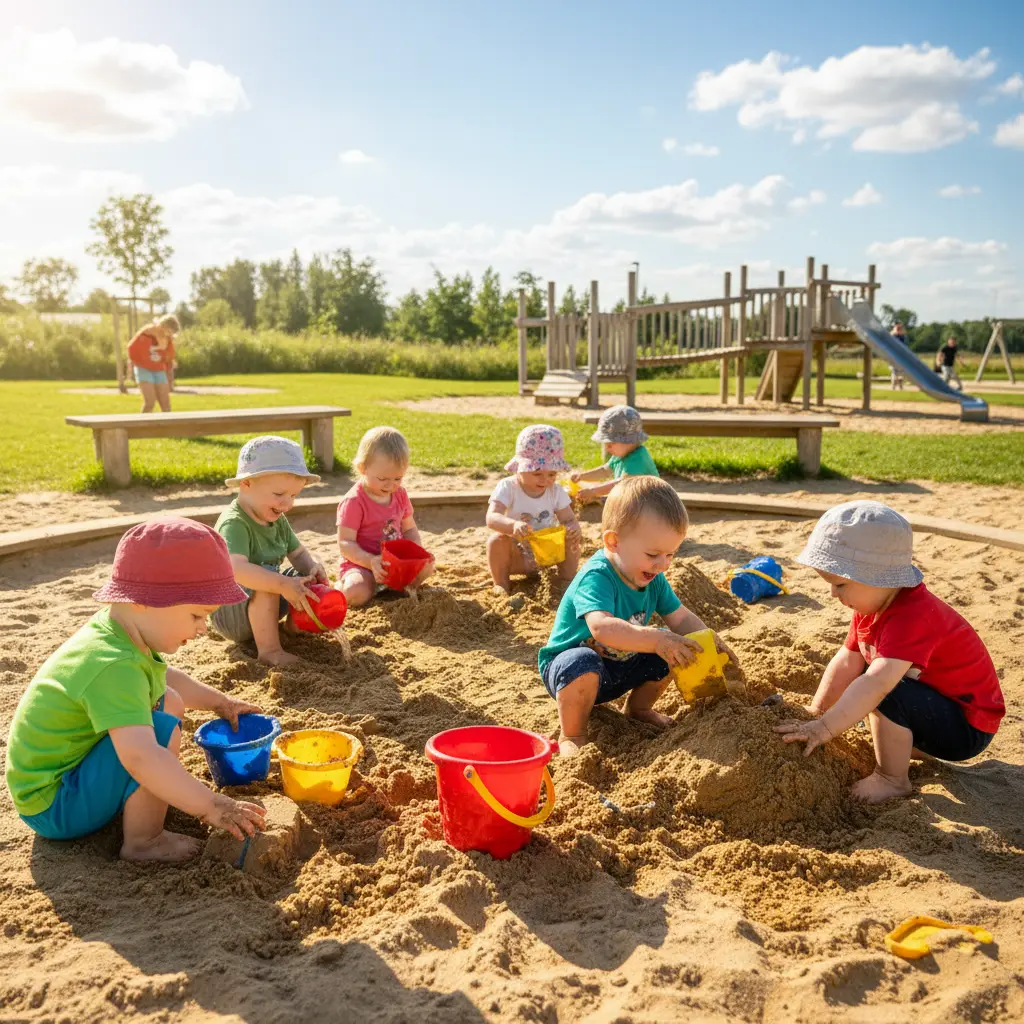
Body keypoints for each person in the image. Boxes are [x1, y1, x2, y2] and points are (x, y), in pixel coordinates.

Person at [5, 517, 267, 863]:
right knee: (157, 734)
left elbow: (164, 677)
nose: (203, 629)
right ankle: (144, 841)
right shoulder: (113, 664)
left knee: (167, 700)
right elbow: (141, 756)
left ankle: (136, 809)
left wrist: (220, 702)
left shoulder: (120, 629)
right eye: (195, 616)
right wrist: (211, 806)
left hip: (67, 776)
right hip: (55, 804)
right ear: (146, 600)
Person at [776, 501, 1004, 803]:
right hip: (934, 706)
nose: (833, 594)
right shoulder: (872, 606)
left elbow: (877, 684)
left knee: (883, 688)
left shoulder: (913, 616)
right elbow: (847, 661)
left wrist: (824, 729)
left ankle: (891, 778)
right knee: (866, 678)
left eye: (840, 584)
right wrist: (817, 713)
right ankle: (906, 742)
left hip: (966, 727)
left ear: (877, 578)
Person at [538, 476, 738, 757]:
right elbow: (602, 629)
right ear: (614, 541)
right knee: (585, 660)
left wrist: (708, 640)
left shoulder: (652, 578)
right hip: (569, 672)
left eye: (671, 555)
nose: (663, 565)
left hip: (618, 667)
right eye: (653, 554)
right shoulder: (596, 577)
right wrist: (658, 639)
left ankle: (638, 708)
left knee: (677, 648)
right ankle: (572, 733)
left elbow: (680, 619)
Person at [210, 436, 328, 666]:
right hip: (231, 613)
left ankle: (293, 629)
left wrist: (312, 570)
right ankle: (270, 651)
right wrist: (280, 584)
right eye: (279, 495)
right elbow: (237, 570)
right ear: (246, 484)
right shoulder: (234, 523)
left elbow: (298, 554)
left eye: (293, 495)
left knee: (302, 579)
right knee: (267, 581)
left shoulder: (277, 520)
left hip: (267, 605)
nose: (287, 504)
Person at [335, 426, 435, 607]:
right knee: (355, 592)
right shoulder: (354, 501)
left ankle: (393, 588)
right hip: (363, 564)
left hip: (395, 563)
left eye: (398, 478)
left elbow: (409, 527)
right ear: (362, 468)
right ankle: (341, 587)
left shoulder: (400, 494)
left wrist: (417, 553)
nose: (390, 485)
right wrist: (370, 561)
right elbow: (345, 544)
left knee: (428, 566)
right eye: (383, 479)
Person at [487, 424, 582, 598]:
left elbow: (569, 519)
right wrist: (512, 525)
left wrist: (573, 528)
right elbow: (492, 518)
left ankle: (566, 580)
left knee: (572, 539)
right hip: (519, 553)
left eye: (552, 474)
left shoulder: (556, 491)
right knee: (496, 541)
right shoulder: (508, 487)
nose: (545, 480)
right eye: (537, 473)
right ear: (520, 467)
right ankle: (501, 584)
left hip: (549, 552)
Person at [571, 405, 658, 503]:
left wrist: (594, 491)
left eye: (611, 444)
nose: (607, 448)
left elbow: (622, 483)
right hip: (634, 503)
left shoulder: (638, 459)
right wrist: (582, 476)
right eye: (605, 444)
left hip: (650, 506)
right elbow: (604, 471)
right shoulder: (620, 456)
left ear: (629, 440)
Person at [128, 314, 180, 413]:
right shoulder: (147, 332)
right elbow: (132, 348)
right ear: (163, 325)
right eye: (169, 331)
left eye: (171, 333)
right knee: (150, 402)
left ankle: (168, 427)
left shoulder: (166, 338)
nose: (169, 334)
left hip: (159, 369)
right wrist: (145, 359)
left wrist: (165, 358)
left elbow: (169, 354)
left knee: (166, 404)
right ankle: (141, 427)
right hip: (143, 368)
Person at [889, 321, 908, 390]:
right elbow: (892, 334)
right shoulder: (893, 334)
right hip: (894, 355)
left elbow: (901, 334)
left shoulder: (901, 336)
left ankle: (899, 384)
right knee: (894, 371)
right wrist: (896, 328)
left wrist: (898, 328)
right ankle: (894, 385)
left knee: (900, 372)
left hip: (900, 355)